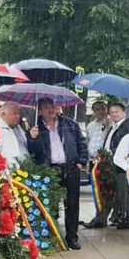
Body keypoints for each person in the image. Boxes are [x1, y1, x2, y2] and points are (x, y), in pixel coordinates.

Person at [27, 98, 88, 250]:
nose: (51, 110)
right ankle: (52, 236)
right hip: (49, 170)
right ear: (39, 110)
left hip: (71, 168)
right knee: (51, 205)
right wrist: (32, 139)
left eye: (52, 106)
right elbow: (32, 153)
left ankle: (72, 237)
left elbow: (82, 143)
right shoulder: (35, 127)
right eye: (46, 107)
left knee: (72, 205)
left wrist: (81, 162)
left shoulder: (69, 124)